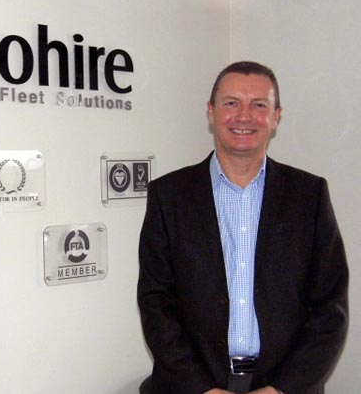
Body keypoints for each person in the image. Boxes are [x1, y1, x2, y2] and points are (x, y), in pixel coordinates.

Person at [137, 61, 348, 394]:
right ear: (211, 112)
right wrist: (201, 388)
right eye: (231, 103)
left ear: (276, 117)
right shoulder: (169, 195)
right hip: (191, 386)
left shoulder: (309, 195)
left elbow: (330, 308)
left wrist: (281, 389)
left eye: (259, 105)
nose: (244, 116)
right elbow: (155, 302)